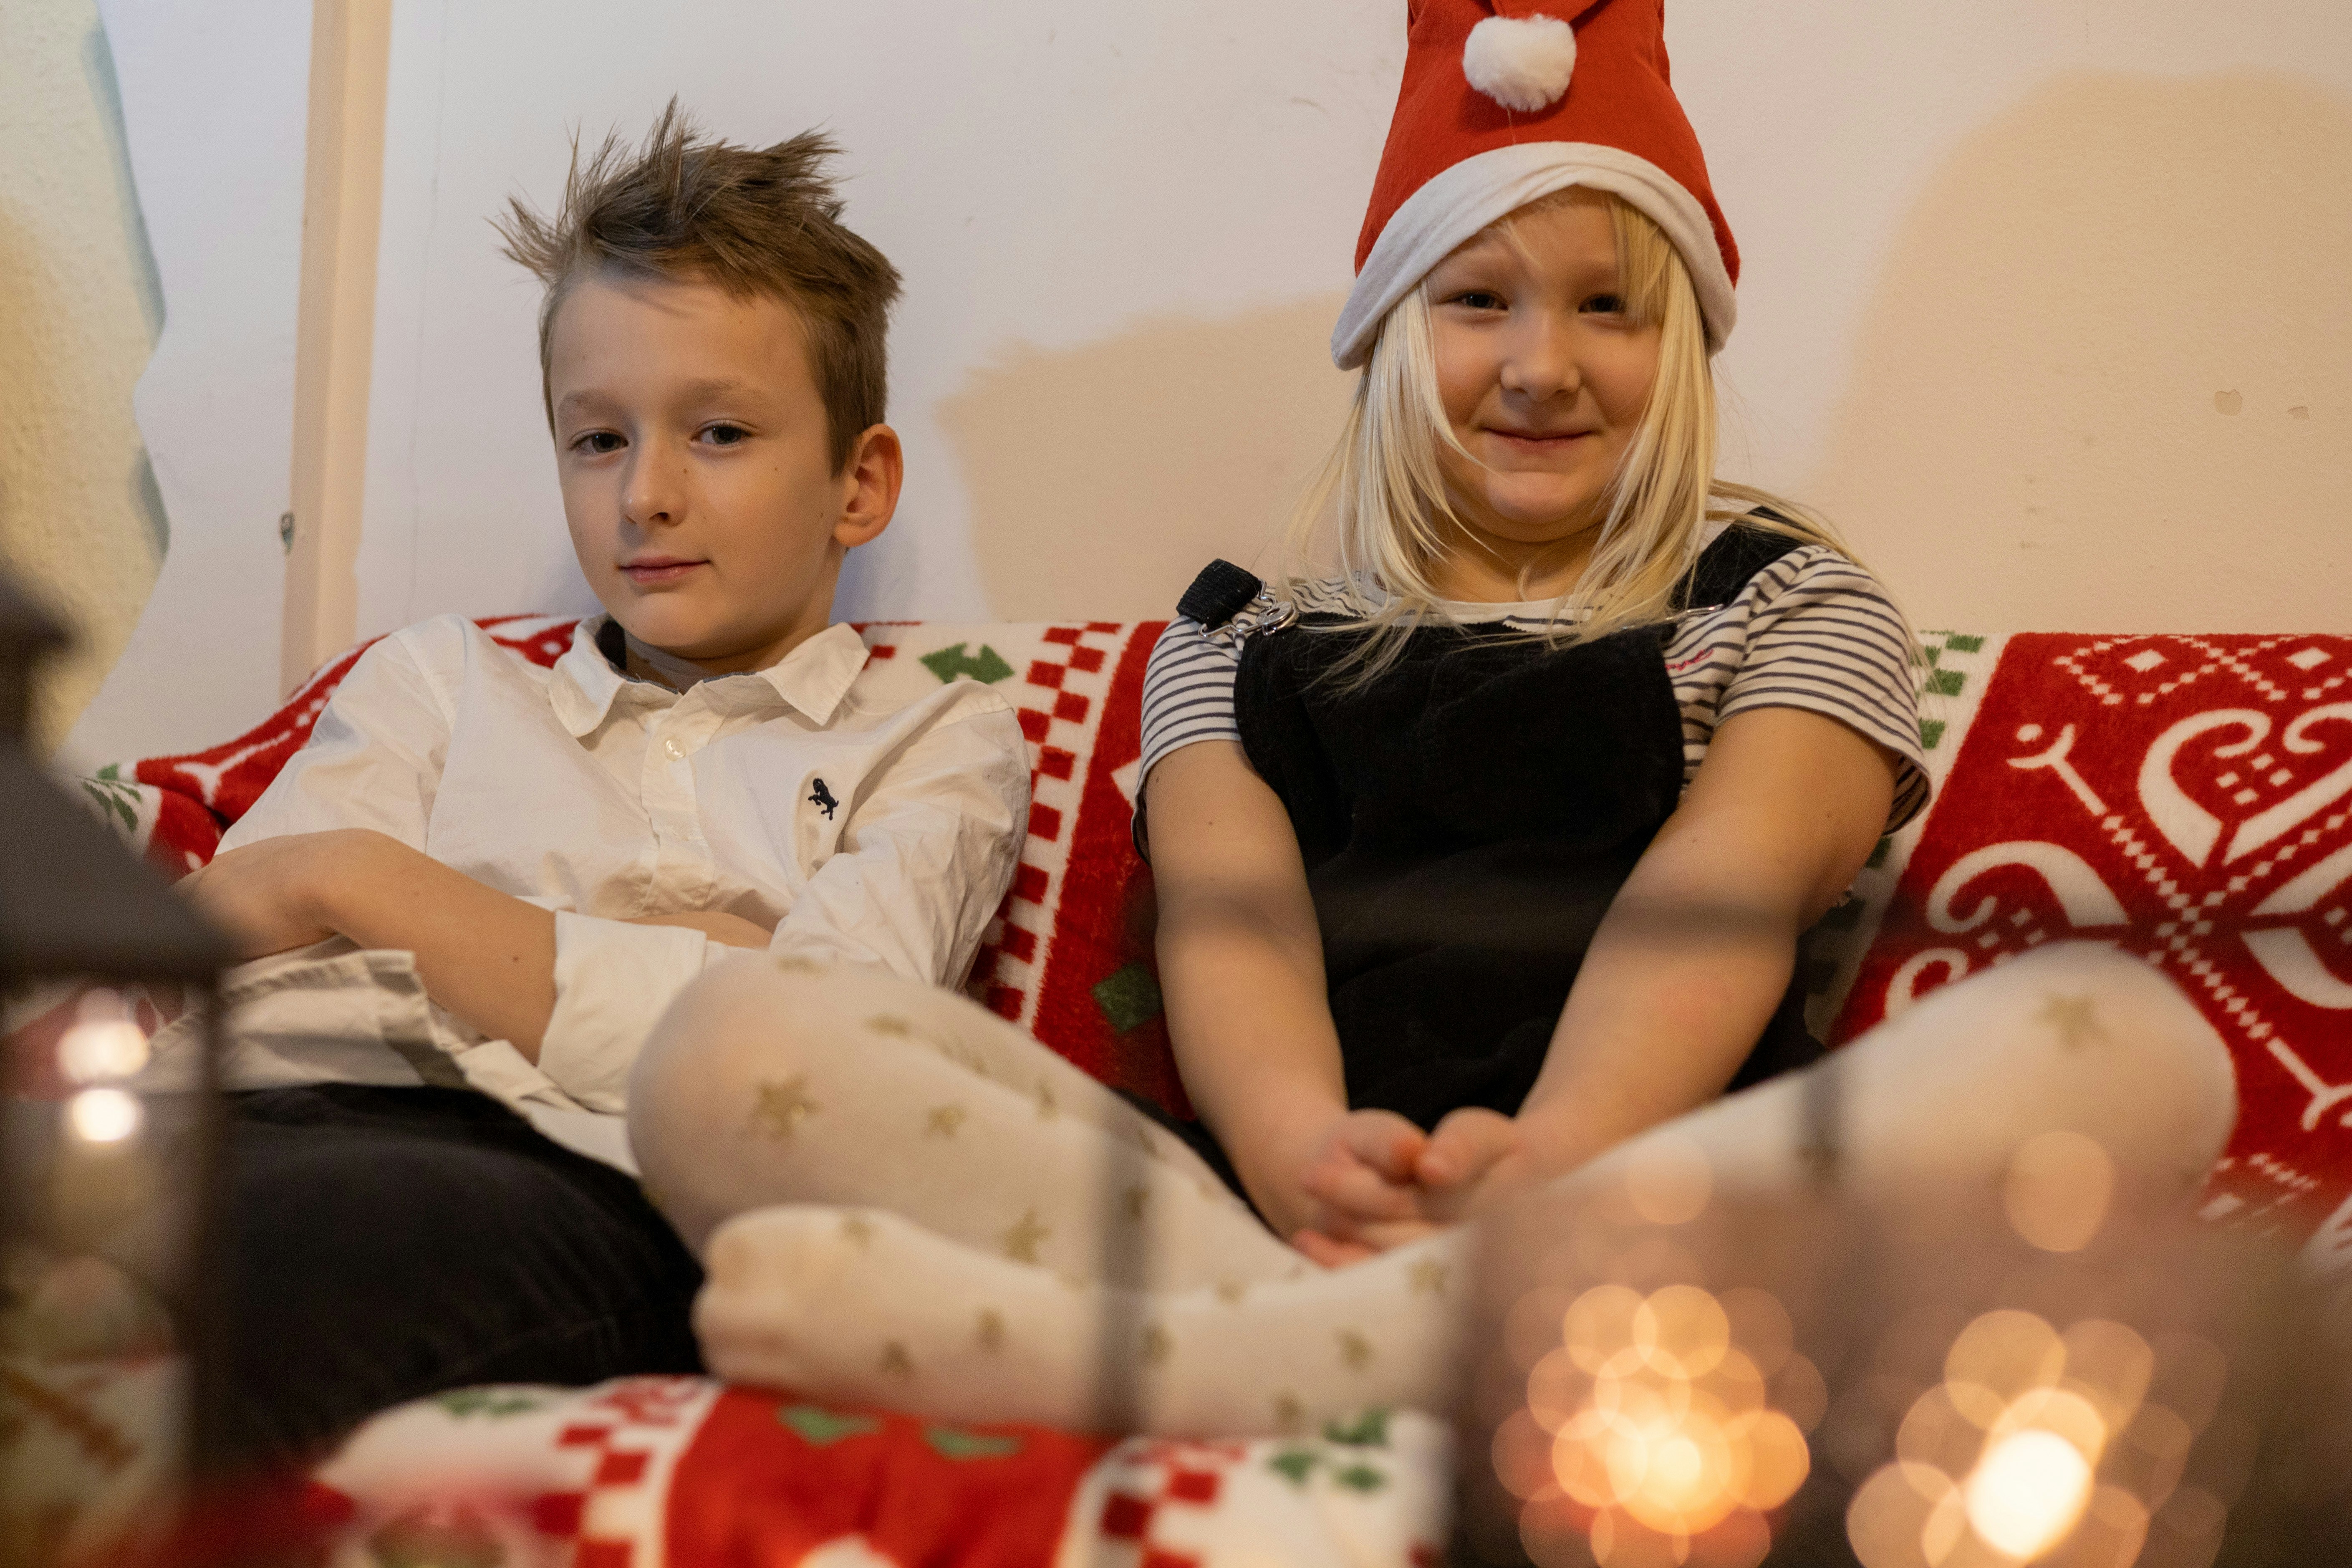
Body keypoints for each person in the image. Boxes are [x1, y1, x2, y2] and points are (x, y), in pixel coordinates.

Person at [626, 1, 2231, 1435]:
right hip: (1277, 1209)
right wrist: (1306, 1162)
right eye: (1479, 300)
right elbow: (1231, 925)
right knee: (724, 1049)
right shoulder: (1229, 639)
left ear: (1681, 345)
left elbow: (1718, 900)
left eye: (1611, 307)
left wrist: (1554, 1175)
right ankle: (1373, 1335)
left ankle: (1251, 1372)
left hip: (1672, 1215)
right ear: (1392, 330)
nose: (1542, 364)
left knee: (2131, 1054)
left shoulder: (1792, 608)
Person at [144, 104, 1029, 1465]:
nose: (645, 497)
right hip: (251, 1101)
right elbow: (231, 946)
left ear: (860, 484)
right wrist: (704, 956)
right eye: (596, 439)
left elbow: (818, 1064)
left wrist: (366, 884)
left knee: (269, 1297)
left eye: (719, 434)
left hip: (577, 1175)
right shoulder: (438, 681)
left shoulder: (933, 744)